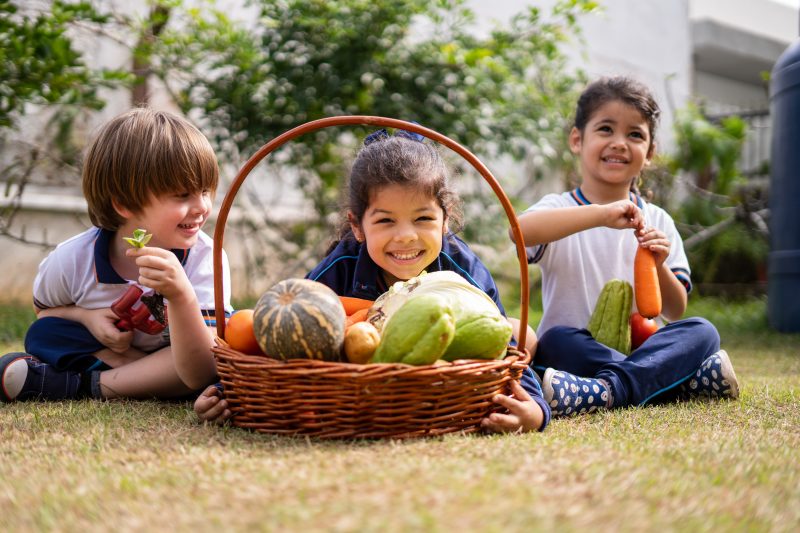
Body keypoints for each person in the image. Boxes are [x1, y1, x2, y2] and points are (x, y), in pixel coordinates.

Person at [196, 128, 549, 433]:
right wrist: (226, 391)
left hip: (436, 397)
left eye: (423, 218)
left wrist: (536, 409)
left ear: (445, 220)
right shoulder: (340, 267)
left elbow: (505, 347)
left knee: (522, 334)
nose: (406, 236)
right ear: (357, 227)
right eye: (385, 221)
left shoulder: (462, 269)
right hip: (360, 402)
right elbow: (281, 336)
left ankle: (558, 388)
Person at [513, 76, 739, 417]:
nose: (619, 143)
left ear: (649, 153)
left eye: (635, 134)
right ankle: (679, 384)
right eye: (605, 129)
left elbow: (674, 311)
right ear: (577, 139)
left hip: (642, 350)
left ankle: (603, 392)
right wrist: (600, 215)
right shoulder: (560, 207)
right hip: (575, 355)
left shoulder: (658, 220)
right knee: (556, 339)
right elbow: (519, 233)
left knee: (703, 331)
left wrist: (660, 264)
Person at [0, 108, 232, 403]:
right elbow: (45, 311)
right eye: (182, 195)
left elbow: (201, 370)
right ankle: (136, 379)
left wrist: (181, 295)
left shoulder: (204, 257)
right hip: (120, 356)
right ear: (124, 204)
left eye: (205, 190)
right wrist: (86, 317)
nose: (202, 206)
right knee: (44, 333)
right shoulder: (72, 258)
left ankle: (79, 386)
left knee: (217, 355)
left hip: (179, 361)